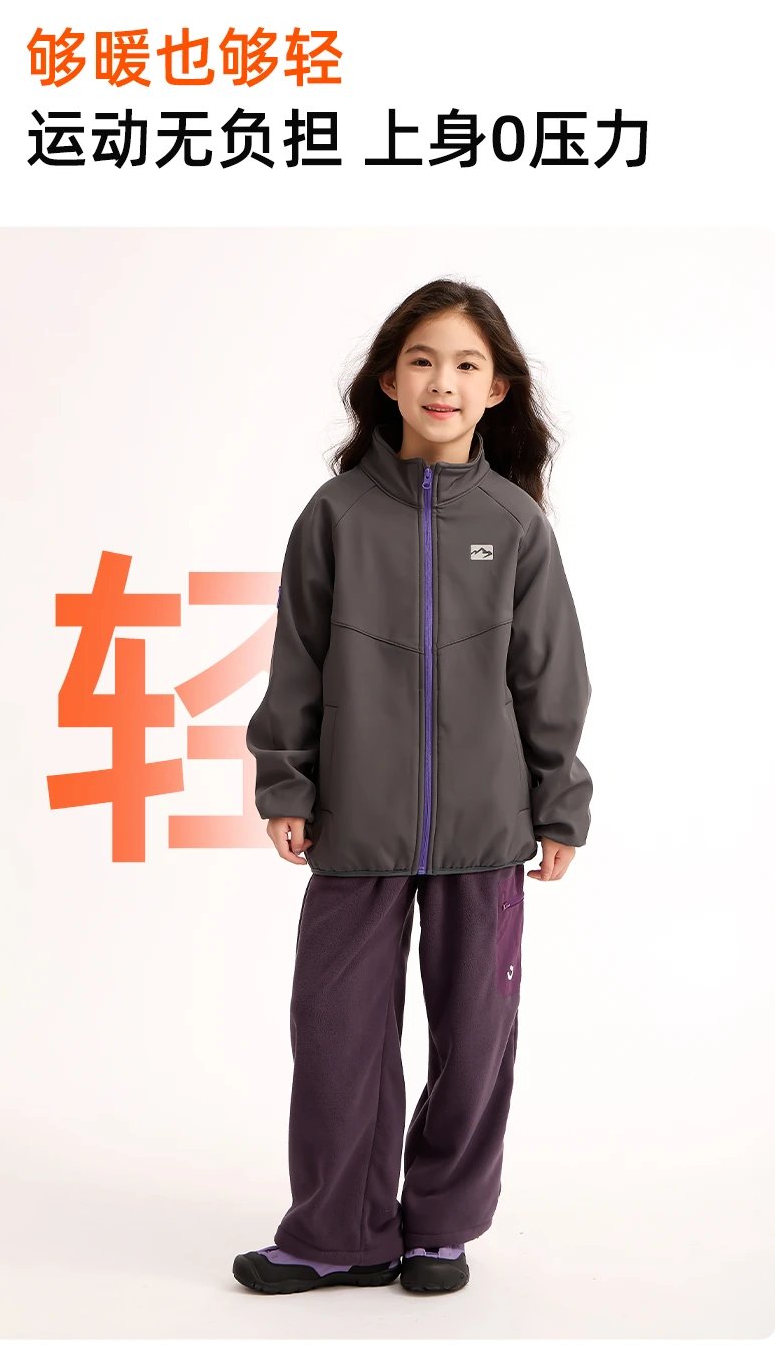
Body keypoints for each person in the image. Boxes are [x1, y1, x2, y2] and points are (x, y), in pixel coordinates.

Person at [233, 278, 593, 1297]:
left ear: (497, 388)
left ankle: (439, 1226)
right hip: (355, 824)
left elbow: (551, 675)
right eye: (423, 360)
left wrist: (559, 801)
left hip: (486, 829)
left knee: (475, 1040)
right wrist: (285, 782)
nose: (444, 380)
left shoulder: (514, 524)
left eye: (467, 363)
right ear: (387, 381)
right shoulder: (337, 514)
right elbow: (296, 660)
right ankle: (340, 1231)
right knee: (336, 1035)